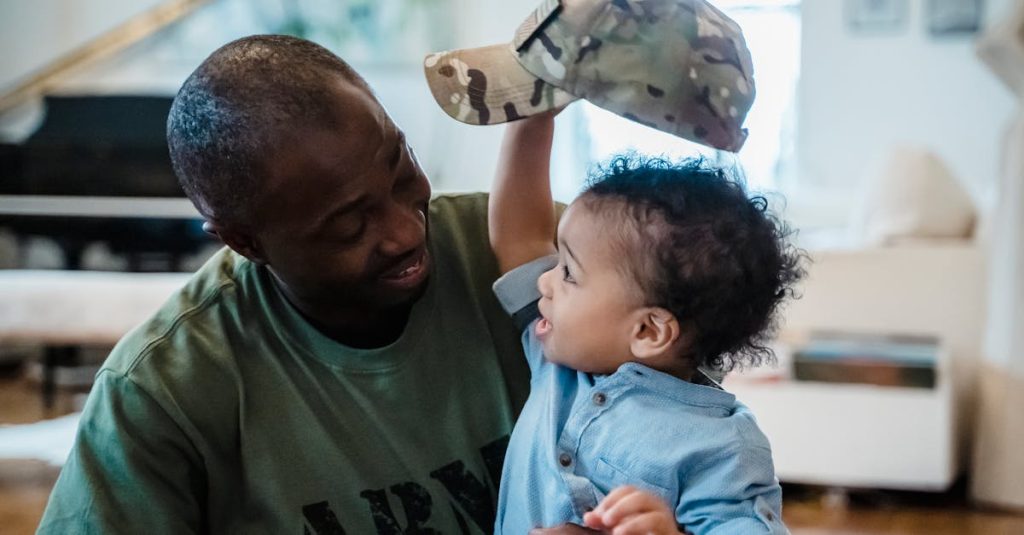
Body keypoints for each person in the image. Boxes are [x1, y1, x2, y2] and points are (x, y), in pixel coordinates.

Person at [37, 35, 535, 534]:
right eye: (347, 224)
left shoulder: (522, 251)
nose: (406, 233)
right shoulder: (162, 392)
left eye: (400, 168)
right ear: (245, 242)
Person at [487, 107, 803, 534]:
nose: (544, 281)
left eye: (568, 273)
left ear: (648, 331)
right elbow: (519, 236)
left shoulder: (722, 445)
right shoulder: (558, 364)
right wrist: (531, 118)